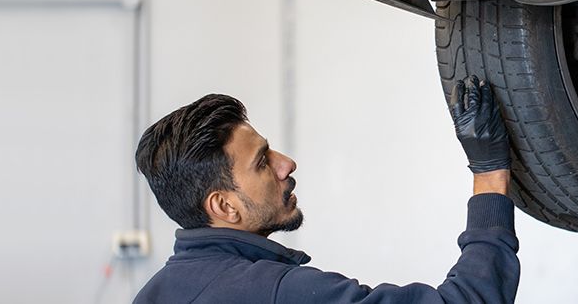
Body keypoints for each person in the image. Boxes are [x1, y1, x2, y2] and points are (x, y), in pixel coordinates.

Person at [132, 76, 519, 303]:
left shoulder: (154, 294)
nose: (286, 164)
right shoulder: (274, 292)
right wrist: (489, 174)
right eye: (262, 161)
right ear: (225, 206)